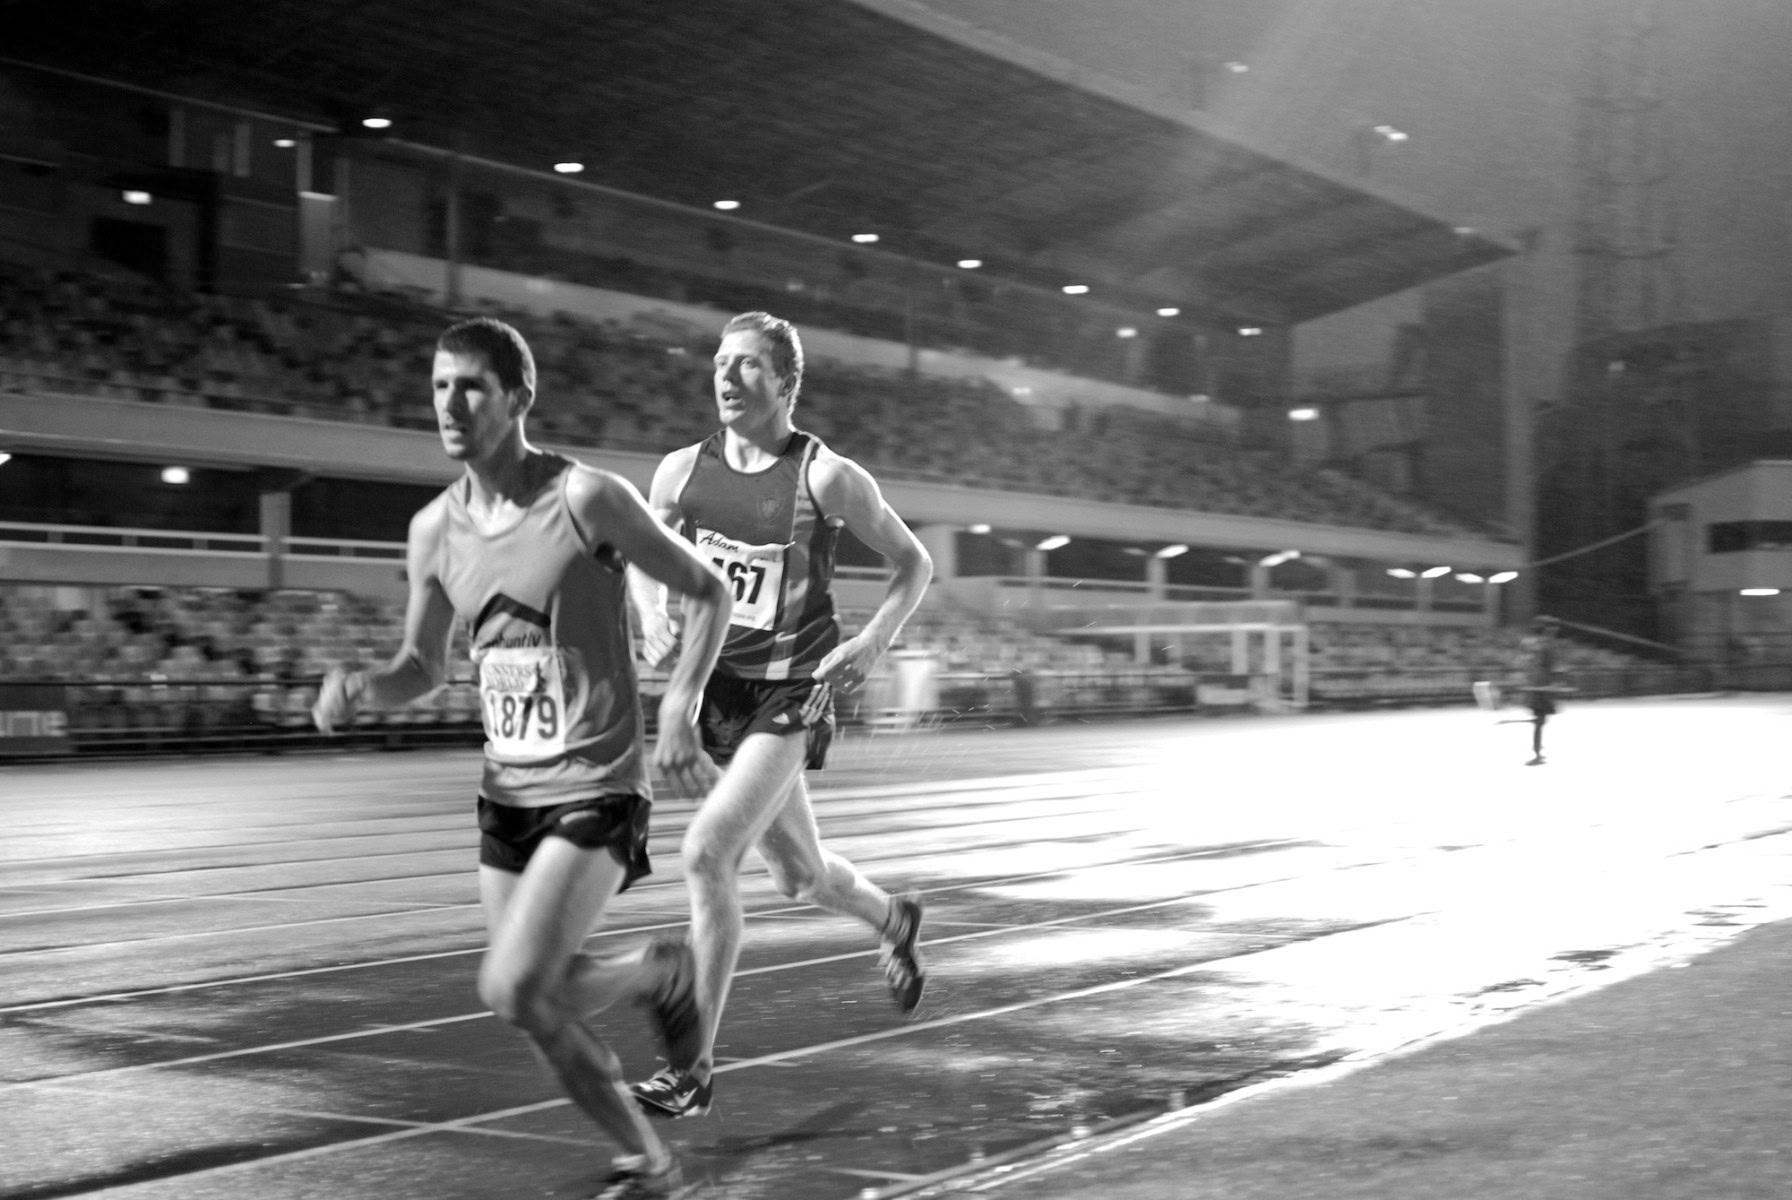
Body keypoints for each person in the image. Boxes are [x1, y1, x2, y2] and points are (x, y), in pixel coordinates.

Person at [312, 316, 730, 1200]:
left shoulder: (588, 499)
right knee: (533, 1003)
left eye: (470, 386)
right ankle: (651, 1155)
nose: (450, 405)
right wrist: (360, 689)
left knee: (511, 983)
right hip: (508, 794)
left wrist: (680, 708)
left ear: (518, 398)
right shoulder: (433, 530)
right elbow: (421, 669)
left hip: (599, 782)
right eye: (438, 386)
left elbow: (708, 590)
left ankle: (659, 976)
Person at [626, 311, 934, 1119]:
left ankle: (693, 1070)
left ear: (787, 385)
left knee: (707, 854)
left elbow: (915, 563)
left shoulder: (826, 478)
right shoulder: (678, 473)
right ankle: (892, 918)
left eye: (749, 367)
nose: (727, 378)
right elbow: (641, 553)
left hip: (792, 692)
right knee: (800, 877)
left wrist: (872, 641)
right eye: (720, 363)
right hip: (720, 692)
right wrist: (653, 609)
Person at [1516, 615, 1562, 766]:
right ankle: (1537, 752)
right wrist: (1554, 682)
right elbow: (1551, 666)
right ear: (1549, 629)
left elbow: (1526, 663)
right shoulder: (1547, 645)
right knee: (1539, 720)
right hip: (1541, 686)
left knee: (1540, 720)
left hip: (1535, 684)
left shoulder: (1530, 643)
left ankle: (1537, 748)